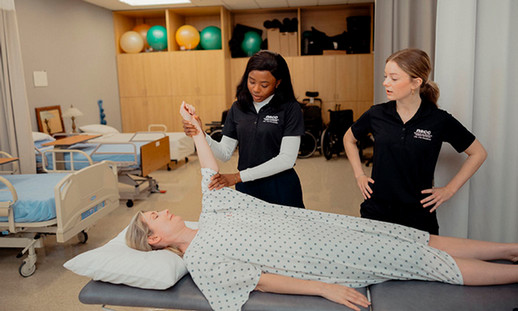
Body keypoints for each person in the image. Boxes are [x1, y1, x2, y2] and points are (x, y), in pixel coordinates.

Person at [126, 102, 518, 311]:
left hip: (329, 226)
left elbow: (209, 166)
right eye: (155, 215)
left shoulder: (210, 211)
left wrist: (194, 127)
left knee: (415, 237)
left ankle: (509, 250)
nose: (163, 210)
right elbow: (260, 280)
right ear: (157, 239)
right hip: (326, 256)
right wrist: (323, 289)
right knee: (419, 259)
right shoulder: (201, 259)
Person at [343, 48, 487, 234]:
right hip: (377, 210)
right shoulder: (376, 114)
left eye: (394, 78)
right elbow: (349, 139)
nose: (385, 82)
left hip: (418, 215)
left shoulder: (438, 120)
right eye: (386, 76)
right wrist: (359, 175)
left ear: (416, 83)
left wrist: (449, 190)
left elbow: (478, 153)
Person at [182, 50, 305, 208]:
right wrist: (201, 134)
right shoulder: (238, 107)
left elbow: (286, 159)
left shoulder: (290, 108)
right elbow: (225, 153)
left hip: (280, 187)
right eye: (252, 81)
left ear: (278, 82)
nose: (256, 89)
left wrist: (237, 177)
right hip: (248, 189)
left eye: (264, 85)